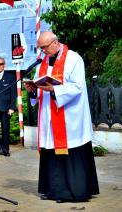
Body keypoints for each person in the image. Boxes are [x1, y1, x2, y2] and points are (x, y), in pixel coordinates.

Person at [24, 31, 99, 203]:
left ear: (55, 43)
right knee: (51, 155)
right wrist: (33, 90)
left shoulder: (73, 59)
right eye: (41, 48)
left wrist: (55, 90)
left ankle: (72, 192)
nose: (42, 51)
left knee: (70, 154)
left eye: (44, 47)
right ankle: (52, 190)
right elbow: (38, 83)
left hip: (69, 118)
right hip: (48, 116)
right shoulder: (42, 62)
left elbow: (78, 87)